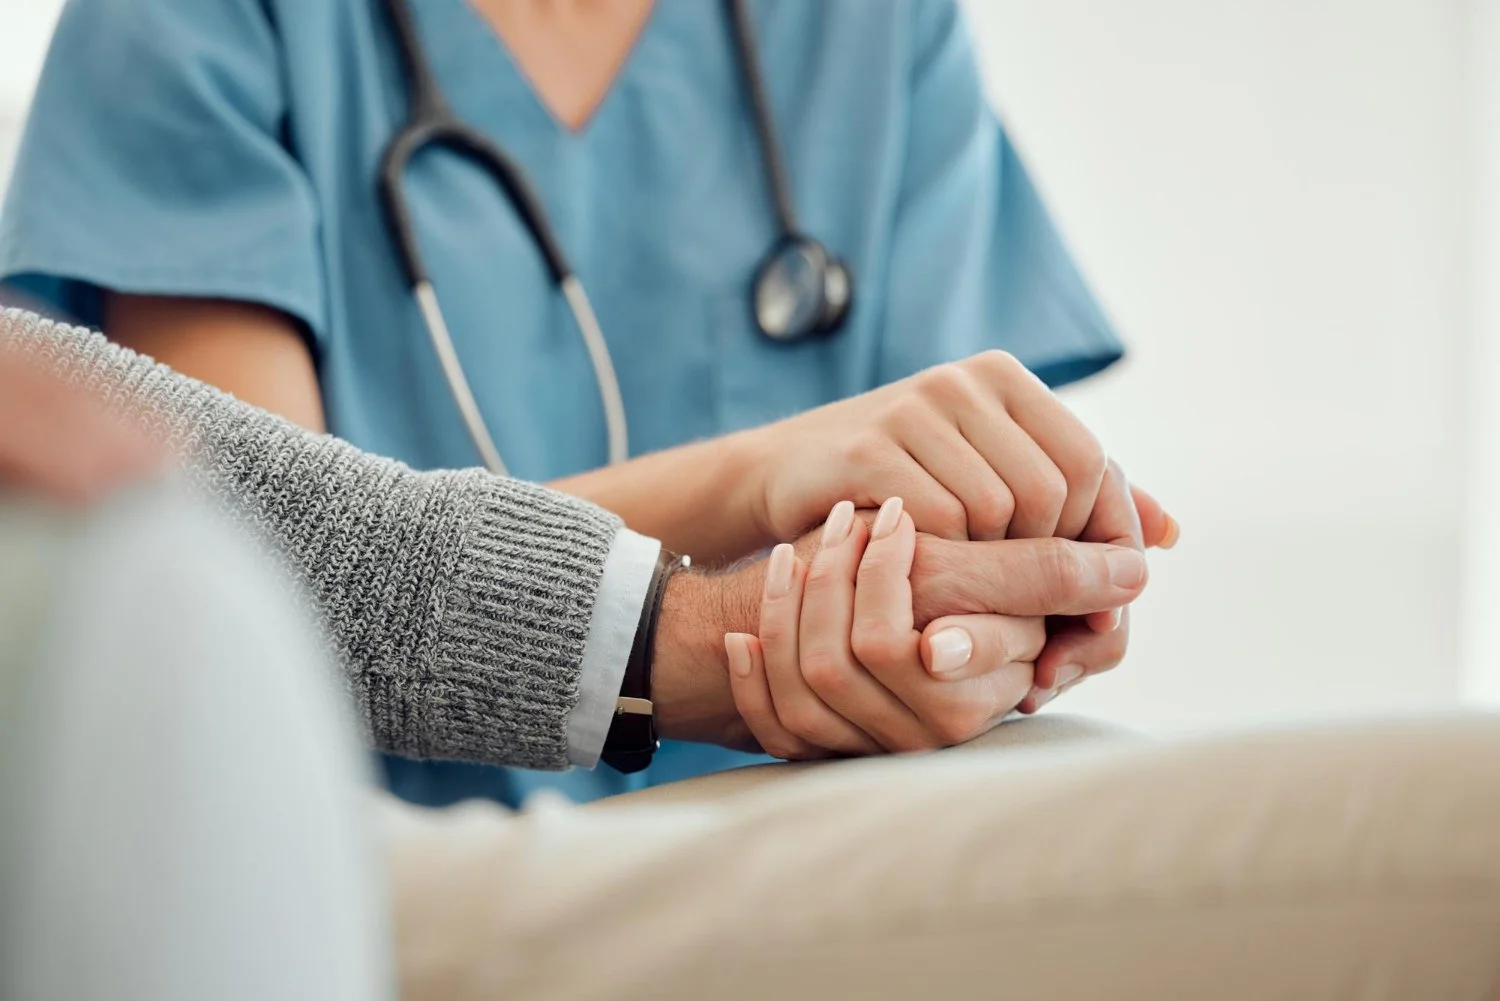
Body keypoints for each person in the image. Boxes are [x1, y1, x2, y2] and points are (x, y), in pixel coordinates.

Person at [5, 313, 1499, 1001]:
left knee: (1057, 763)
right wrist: (722, 583)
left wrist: (961, 613)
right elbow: (248, 599)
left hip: (691, 783)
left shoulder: (858, 38)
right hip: (371, 860)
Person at [0, 0, 1141, 804]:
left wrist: (992, 616)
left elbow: (950, 558)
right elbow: (276, 580)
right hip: (384, 866)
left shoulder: (871, 28)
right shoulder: (204, 22)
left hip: (807, 834)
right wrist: (757, 485)